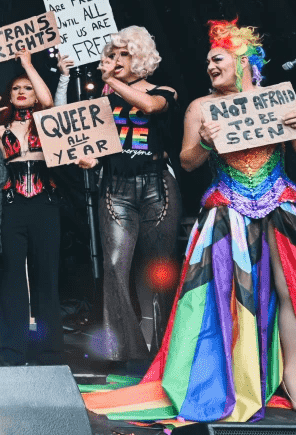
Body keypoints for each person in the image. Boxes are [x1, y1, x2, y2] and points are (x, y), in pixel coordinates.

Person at [83, 20, 296, 421]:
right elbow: (187, 161)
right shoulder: (201, 106)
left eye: (216, 59)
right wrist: (205, 140)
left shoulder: (276, 100)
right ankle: (227, 378)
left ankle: (293, 378)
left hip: (279, 201)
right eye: (207, 62)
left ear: (241, 61)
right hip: (227, 205)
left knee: (289, 291)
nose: (210, 67)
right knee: (227, 296)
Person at [59, 26, 182, 368]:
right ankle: (127, 355)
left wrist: (111, 81)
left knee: (159, 269)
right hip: (116, 187)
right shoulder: (101, 101)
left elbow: (151, 106)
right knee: (114, 267)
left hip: (158, 185)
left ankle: (167, 352)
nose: (114, 60)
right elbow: (90, 145)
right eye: (110, 54)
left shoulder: (163, 90)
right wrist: (87, 159)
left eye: (123, 54)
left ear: (140, 57)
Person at [0, 49, 62, 365]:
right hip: (14, 204)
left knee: (46, 275)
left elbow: (48, 102)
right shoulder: (1, 130)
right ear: (10, 96)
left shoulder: (47, 122)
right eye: (17, 88)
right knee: (13, 277)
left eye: (27, 88)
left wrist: (28, 65)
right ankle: (12, 350)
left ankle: (50, 351)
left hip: (45, 203)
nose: (22, 92)